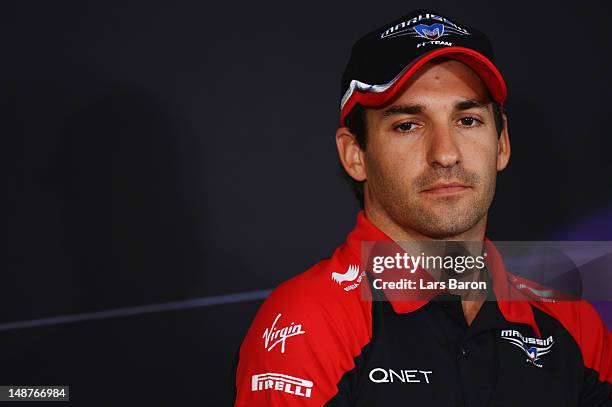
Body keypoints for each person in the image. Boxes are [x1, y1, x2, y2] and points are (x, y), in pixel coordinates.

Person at [232, 9, 612, 406]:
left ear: (501, 144)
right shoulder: (310, 322)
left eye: (467, 120)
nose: (445, 154)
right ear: (354, 153)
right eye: (407, 125)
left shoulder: (574, 324)